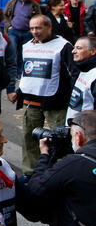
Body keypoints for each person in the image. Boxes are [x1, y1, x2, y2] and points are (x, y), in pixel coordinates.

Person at [13, 14, 74, 174]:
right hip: (30, 101)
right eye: (32, 28)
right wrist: (18, 91)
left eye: (38, 27)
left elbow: (73, 74)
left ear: (49, 27)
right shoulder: (27, 45)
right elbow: (27, 72)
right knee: (29, 138)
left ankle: (61, 172)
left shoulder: (63, 46)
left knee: (60, 140)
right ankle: (30, 172)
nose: (35, 31)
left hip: (56, 103)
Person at [4, 0, 42, 74]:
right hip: (13, 31)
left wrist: (33, 29)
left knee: (24, 52)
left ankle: (20, 72)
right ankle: (13, 71)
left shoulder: (34, 5)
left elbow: (39, 18)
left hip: (27, 32)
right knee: (14, 51)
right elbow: (4, 15)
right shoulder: (12, 2)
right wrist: (9, 25)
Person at [67, 35, 96, 121]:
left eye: (79, 48)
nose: (73, 51)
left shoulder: (93, 74)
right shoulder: (82, 68)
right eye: (74, 47)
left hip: (87, 129)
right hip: (76, 127)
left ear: (93, 51)